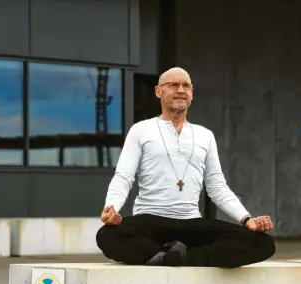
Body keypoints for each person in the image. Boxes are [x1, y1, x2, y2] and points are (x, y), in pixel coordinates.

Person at [96, 67, 276, 267]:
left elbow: (217, 187)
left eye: (186, 86)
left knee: (262, 243)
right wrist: (111, 207)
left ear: (192, 93)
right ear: (158, 91)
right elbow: (124, 176)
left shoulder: (204, 135)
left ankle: (174, 256)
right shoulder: (141, 130)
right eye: (173, 85)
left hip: (191, 222)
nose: (180, 90)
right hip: (149, 221)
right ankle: (174, 253)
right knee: (107, 235)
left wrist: (246, 219)